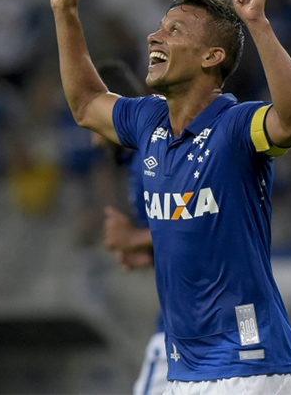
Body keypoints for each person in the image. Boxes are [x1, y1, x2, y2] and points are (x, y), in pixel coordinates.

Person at [50, 0, 291, 394]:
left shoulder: (235, 127)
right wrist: (66, 11)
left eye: (175, 30)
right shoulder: (148, 121)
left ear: (212, 57)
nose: (155, 35)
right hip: (185, 369)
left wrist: (257, 24)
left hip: (251, 361)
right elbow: (87, 103)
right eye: (159, 26)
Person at [93, 60, 168, 395]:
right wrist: (146, 253)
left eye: (93, 128)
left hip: (192, 324)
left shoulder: (152, 157)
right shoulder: (144, 156)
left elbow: (202, 222)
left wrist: (134, 237)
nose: (95, 142)